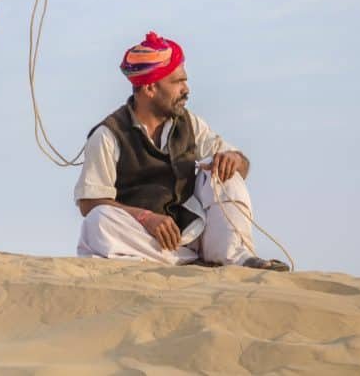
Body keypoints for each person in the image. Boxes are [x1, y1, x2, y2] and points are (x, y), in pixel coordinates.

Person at [74, 31, 288, 271]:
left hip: (194, 232)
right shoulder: (108, 136)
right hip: (143, 239)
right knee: (97, 222)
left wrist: (233, 159)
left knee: (223, 174)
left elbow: (243, 166)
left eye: (184, 80)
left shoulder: (190, 124)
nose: (186, 89)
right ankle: (187, 263)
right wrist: (146, 217)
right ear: (150, 88)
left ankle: (235, 257)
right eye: (177, 82)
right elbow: (89, 203)